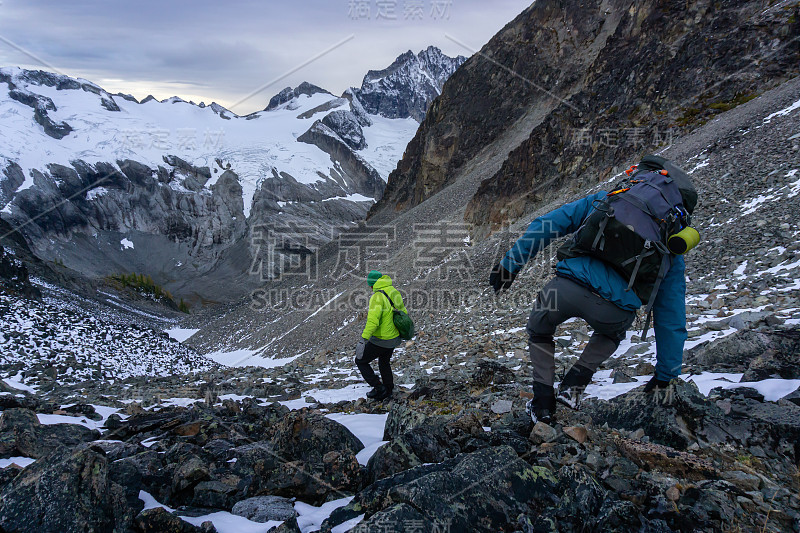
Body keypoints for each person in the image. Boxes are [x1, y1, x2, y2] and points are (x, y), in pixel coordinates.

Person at [489, 157, 692, 424]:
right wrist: (666, 374)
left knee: (540, 328)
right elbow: (671, 316)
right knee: (612, 333)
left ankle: (542, 404)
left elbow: (546, 225)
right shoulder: (671, 244)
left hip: (564, 291)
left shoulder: (607, 199)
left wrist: (509, 266)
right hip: (613, 311)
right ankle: (573, 387)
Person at [356, 270, 407, 401]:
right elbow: (403, 312)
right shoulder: (394, 291)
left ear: (372, 285)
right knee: (384, 361)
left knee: (361, 361)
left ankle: (379, 388)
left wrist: (363, 339)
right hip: (395, 337)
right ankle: (389, 389)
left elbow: (373, 321)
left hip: (382, 339)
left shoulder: (377, 297)